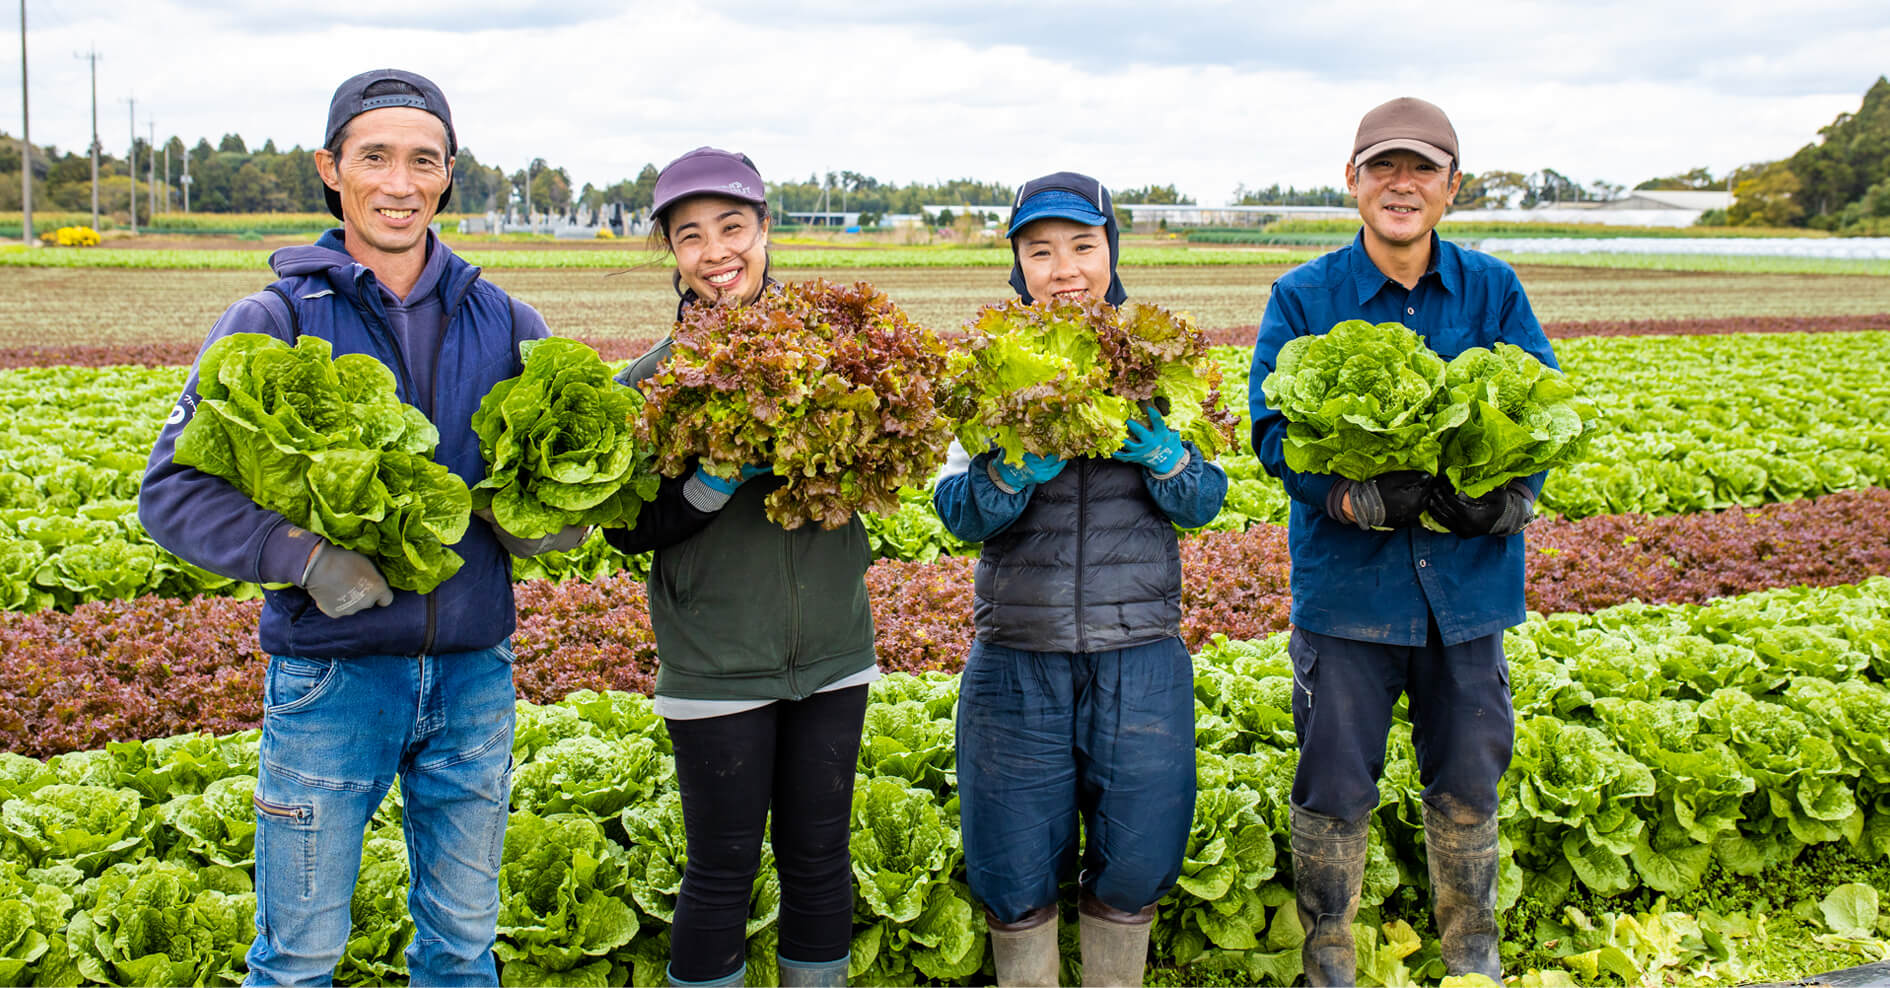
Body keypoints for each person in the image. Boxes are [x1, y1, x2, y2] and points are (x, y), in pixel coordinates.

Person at [137, 69, 584, 986]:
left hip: (473, 674)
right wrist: (302, 558)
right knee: (299, 955)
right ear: (331, 170)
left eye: (423, 161)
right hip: (331, 682)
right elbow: (173, 491)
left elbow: (563, 485)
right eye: (374, 157)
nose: (399, 183)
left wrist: (550, 522)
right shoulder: (271, 321)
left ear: (449, 173)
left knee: (463, 946)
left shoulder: (507, 321)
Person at [1247, 97, 1558, 985]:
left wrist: (1508, 503)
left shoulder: (1493, 289)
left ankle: (1472, 952)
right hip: (1351, 596)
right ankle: (1329, 956)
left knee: (1468, 775)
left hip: (1466, 594)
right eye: (1383, 167)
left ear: (1451, 188)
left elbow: (1544, 410)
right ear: (1352, 181)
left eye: (1422, 169)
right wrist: (1346, 497)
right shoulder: (1303, 297)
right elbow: (1273, 428)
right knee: (1335, 785)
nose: (1402, 185)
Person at [932, 172, 1228, 988]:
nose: (1064, 268)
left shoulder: (1160, 358)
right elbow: (955, 511)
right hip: (1016, 655)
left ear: (1111, 252)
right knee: (1011, 866)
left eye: (1082, 247)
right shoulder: (990, 367)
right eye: (1040, 250)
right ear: (1018, 265)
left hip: (1140, 654)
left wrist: (1168, 457)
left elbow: (1206, 498)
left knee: (1138, 860)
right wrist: (1009, 475)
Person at [602, 147, 874, 988]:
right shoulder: (651, 382)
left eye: (733, 226)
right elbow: (626, 531)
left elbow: (893, 465)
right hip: (715, 666)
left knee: (821, 863)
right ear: (671, 253)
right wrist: (709, 487)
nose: (716, 251)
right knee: (720, 872)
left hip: (832, 652)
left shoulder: (841, 356)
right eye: (690, 235)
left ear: (764, 230)